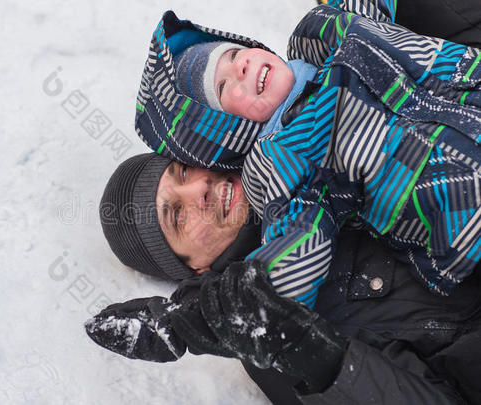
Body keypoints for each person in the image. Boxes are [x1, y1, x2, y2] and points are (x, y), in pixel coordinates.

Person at [134, 3, 481, 307]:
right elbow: (296, 249)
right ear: (224, 130)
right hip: (465, 213)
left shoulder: (326, 32)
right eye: (223, 88)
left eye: (233, 56)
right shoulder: (280, 158)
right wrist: (209, 315)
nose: (239, 69)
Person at [86, 152, 481, 404]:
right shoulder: (262, 337)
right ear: (194, 269)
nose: (200, 188)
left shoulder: (308, 144)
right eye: (177, 214)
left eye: (184, 170)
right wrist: (314, 355)